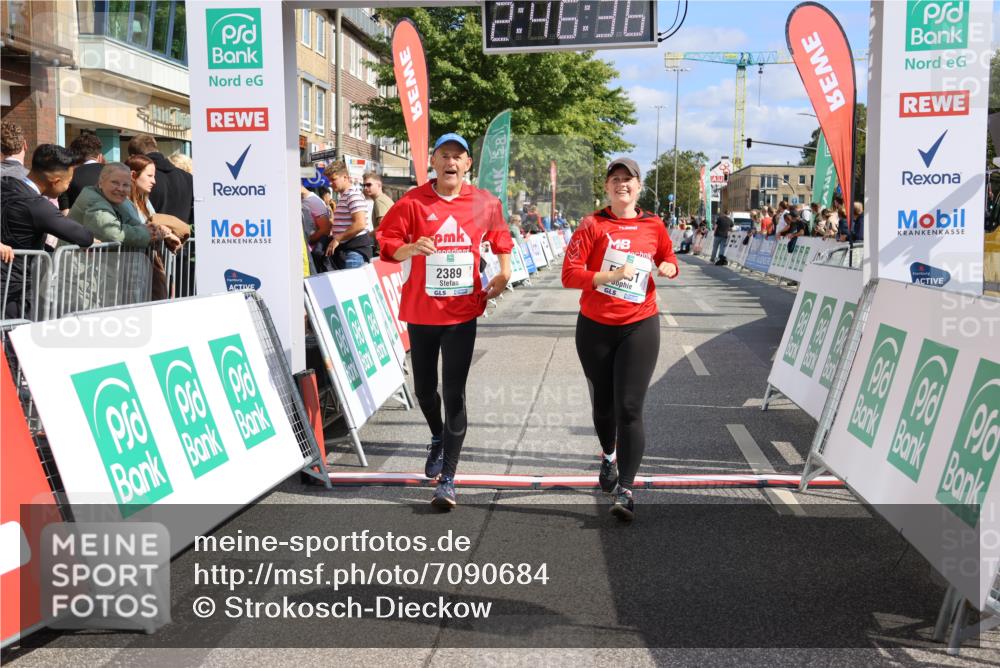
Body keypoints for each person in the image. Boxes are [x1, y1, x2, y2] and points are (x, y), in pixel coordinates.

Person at [377, 133, 512, 508]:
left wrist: (504, 272)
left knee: (454, 392)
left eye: (458, 156)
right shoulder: (413, 202)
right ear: (433, 162)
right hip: (421, 312)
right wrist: (409, 248)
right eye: (444, 155)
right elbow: (386, 241)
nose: (451, 162)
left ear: (467, 164)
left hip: (462, 312)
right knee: (424, 390)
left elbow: (501, 239)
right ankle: (437, 436)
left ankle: (448, 479)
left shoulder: (485, 202)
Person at [562, 157, 679, 521]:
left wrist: (669, 267)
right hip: (595, 326)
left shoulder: (653, 224)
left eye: (628, 179)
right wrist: (607, 277)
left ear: (639, 186)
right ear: (607, 187)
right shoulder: (592, 224)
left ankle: (626, 489)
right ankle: (608, 455)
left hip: (639, 324)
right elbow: (569, 275)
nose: (622, 184)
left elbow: (669, 257)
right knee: (604, 407)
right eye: (615, 178)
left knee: (629, 408)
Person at [1, 144, 94, 318]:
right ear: (55, 181)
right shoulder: (38, 206)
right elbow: (83, 237)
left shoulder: (5, 183)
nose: (67, 188)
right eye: (68, 182)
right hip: (14, 291)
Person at [127, 134, 194, 225]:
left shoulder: (139, 180)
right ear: (156, 148)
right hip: (181, 232)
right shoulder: (188, 178)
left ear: (134, 157)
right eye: (150, 175)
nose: (153, 181)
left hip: (151, 231)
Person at [323, 162, 373, 269]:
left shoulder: (352, 194)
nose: (330, 183)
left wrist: (338, 239)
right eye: (329, 180)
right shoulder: (346, 195)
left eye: (333, 179)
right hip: (349, 251)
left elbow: (360, 224)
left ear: (345, 177)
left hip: (354, 252)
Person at [59, 133, 105, 212]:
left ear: (74, 155)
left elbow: (65, 213)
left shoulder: (67, 177)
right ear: (99, 156)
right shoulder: (114, 173)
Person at [301, 186, 333, 270]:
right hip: (309, 252)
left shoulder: (313, 201)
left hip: (314, 253)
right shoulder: (306, 200)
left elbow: (326, 228)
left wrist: (308, 240)